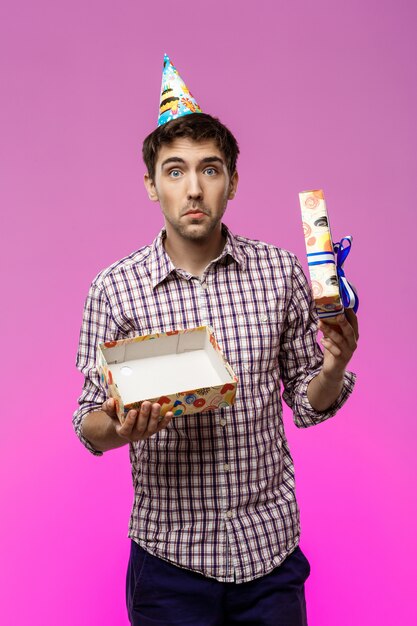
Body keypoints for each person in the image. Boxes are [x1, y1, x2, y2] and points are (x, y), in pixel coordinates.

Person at [73, 56, 358, 626]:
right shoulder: (115, 288)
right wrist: (119, 426)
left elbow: (307, 402)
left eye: (211, 169)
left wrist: (333, 364)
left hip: (269, 557)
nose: (194, 187)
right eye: (175, 171)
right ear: (152, 185)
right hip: (168, 563)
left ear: (233, 180)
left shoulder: (278, 273)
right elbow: (88, 426)